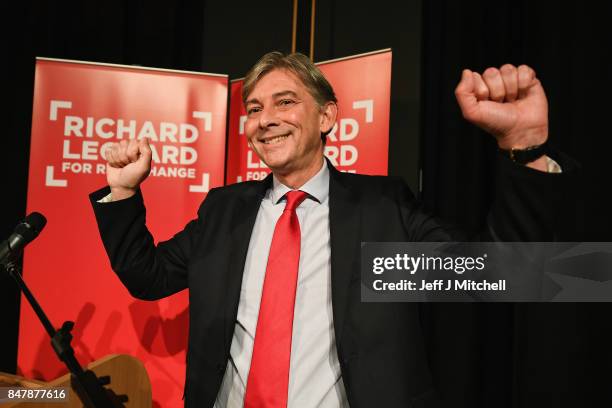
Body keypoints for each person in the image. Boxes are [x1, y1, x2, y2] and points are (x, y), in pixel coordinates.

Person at [90, 52, 575, 407]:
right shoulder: (225, 211)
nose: (266, 120)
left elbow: (492, 277)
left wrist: (525, 147)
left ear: (327, 117)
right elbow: (147, 276)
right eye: (254, 109)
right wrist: (124, 192)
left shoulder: (381, 208)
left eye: (284, 102)